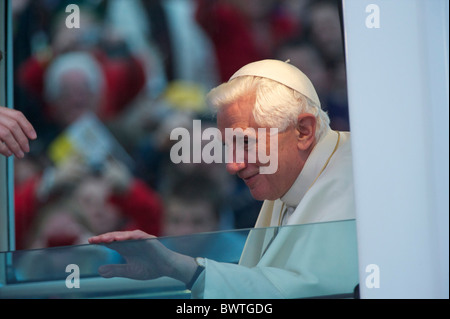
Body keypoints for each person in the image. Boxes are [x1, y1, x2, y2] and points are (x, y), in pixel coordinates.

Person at [88, 59, 357, 298]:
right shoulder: (288, 177)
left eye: (246, 142)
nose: (232, 165)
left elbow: (311, 293)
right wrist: (178, 268)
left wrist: (187, 270)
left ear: (303, 131)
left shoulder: (355, 185)